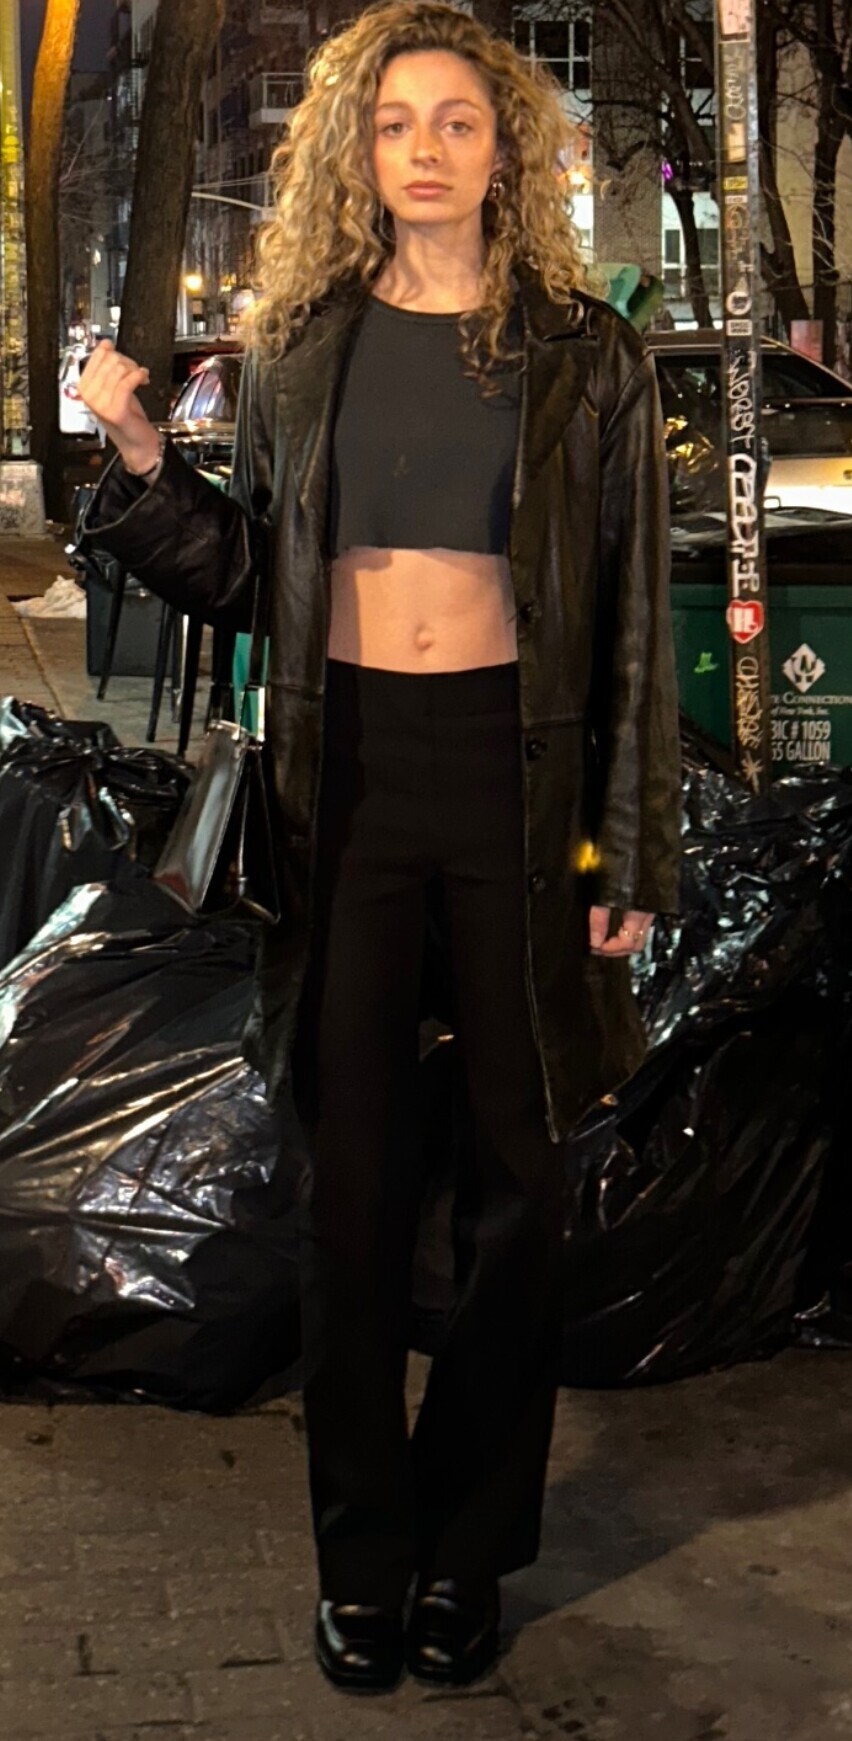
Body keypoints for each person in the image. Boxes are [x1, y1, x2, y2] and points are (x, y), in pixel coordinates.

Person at [78, 0, 681, 1699]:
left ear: (507, 149)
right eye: (396, 121)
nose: (427, 147)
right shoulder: (303, 346)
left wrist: (631, 849)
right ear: (358, 150)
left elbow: (634, 619)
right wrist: (144, 462)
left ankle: (467, 1548)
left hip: (515, 784)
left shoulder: (586, 354)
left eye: (460, 120)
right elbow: (249, 578)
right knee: (346, 1187)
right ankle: (363, 1556)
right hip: (342, 787)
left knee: (517, 1181)